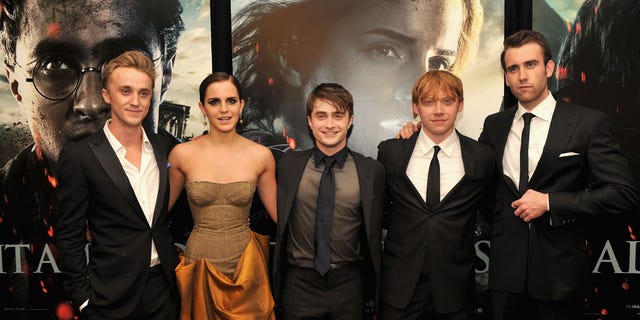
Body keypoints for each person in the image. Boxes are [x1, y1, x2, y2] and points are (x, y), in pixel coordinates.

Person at [0, 0, 184, 314]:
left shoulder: (191, 177)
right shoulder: (7, 200)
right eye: (55, 65)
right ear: (15, 82)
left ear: (165, 70)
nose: (91, 102)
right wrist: (86, 299)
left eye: (124, 62)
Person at [478, 30, 639, 320]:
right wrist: (416, 135)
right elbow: (477, 181)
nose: (522, 76)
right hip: (504, 279)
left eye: (531, 65)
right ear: (506, 76)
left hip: (560, 276)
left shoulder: (587, 122)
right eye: (513, 68)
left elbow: (622, 192)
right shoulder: (494, 126)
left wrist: (551, 202)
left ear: (549, 68)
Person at [232, 0, 483, 156]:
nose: (422, 91)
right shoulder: (259, 167)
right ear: (290, 56)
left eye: (439, 63)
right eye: (384, 50)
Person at [55, 51, 179, 319]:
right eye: (126, 91)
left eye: (144, 93)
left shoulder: (164, 149)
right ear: (106, 95)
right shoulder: (80, 156)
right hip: (110, 295)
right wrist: (84, 300)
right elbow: (69, 235)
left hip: (164, 290)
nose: (136, 101)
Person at [377, 70, 495, 320]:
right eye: (429, 102)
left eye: (447, 101)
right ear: (416, 107)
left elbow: (491, 210)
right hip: (399, 288)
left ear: (460, 105)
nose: (438, 110)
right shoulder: (391, 153)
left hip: (455, 288)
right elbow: (382, 210)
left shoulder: (482, 157)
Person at [167, 72, 277, 319]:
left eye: (231, 100)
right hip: (200, 266)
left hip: (247, 267)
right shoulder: (181, 154)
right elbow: (156, 213)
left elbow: (282, 215)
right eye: (214, 102)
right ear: (202, 108)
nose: (224, 109)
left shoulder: (261, 156)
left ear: (242, 105)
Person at [272, 83, 385, 319]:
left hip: (349, 285)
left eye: (338, 115)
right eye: (321, 116)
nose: (330, 124)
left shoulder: (371, 170)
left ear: (350, 120)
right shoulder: (289, 165)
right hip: (299, 285)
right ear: (310, 121)